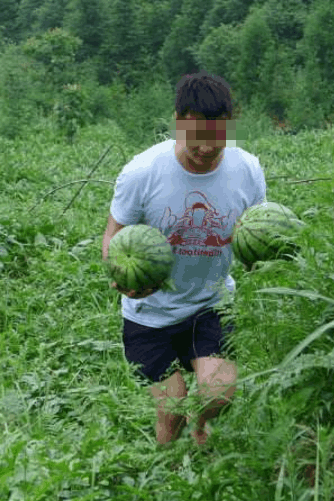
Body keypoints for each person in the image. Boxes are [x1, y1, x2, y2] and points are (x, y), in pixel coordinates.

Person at [101, 72, 267, 446]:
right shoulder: (142, 172)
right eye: (196, 138)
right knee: (171, 407)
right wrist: (121, 273)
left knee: (220, 392)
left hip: (211, 304)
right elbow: (113, 234)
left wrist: (262, 255)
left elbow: (254, 229)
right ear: (177, 122)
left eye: (216, 137)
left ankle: (202, 429)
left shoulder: (247, 170)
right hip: (149, 315)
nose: (206, 149)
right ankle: (168, 467)